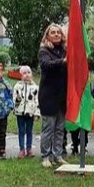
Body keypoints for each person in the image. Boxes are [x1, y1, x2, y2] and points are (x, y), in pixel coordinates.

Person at [38, 23, 67, 168]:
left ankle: (57, 155)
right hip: (48, 96)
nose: (56, 34)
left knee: (60, 128)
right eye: (53, 32)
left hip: (62, 96)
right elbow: (46, 65)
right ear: (47, 35)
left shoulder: (65, 50)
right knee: (48, 128)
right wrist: (63, 62)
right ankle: (45, 156)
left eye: (58, 32)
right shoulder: (44, 51)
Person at [13, 65, 40, 158]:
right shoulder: (17, 86)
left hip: (30, 112)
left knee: (29, 130)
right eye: (24, 73)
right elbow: (14, 100)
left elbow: (37, 101)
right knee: (21, 130)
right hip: (20, 112)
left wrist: (37, 113)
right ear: (20, 75)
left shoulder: (35, 87)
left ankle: (29, 148)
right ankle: (21, 149)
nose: (27, 75)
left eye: (28, 73)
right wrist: (17, 100)